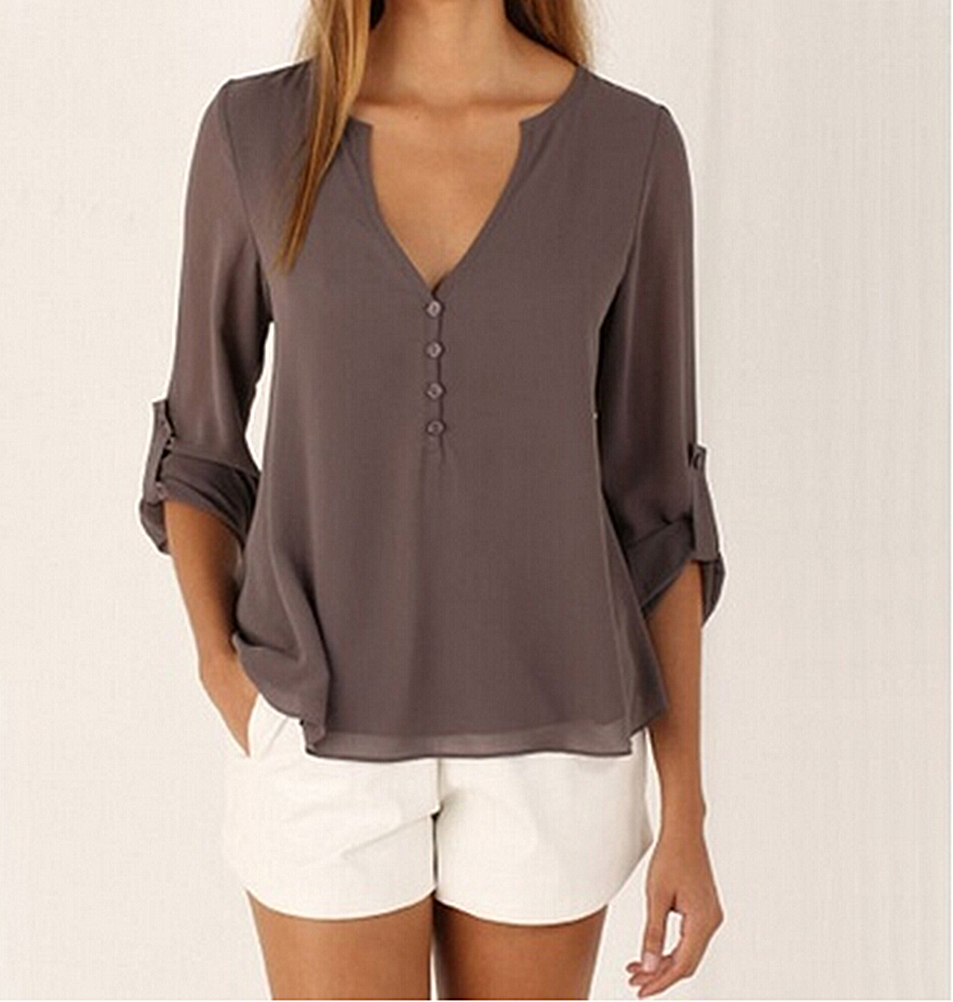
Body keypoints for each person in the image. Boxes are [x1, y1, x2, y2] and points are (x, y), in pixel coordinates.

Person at [137, 0, 727, 997]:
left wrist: (687, 814)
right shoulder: (258, 132)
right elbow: (199, 444)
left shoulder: (629, 149)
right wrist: (221, 673)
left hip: (556, 738)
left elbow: (659, 506)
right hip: (316, 725)